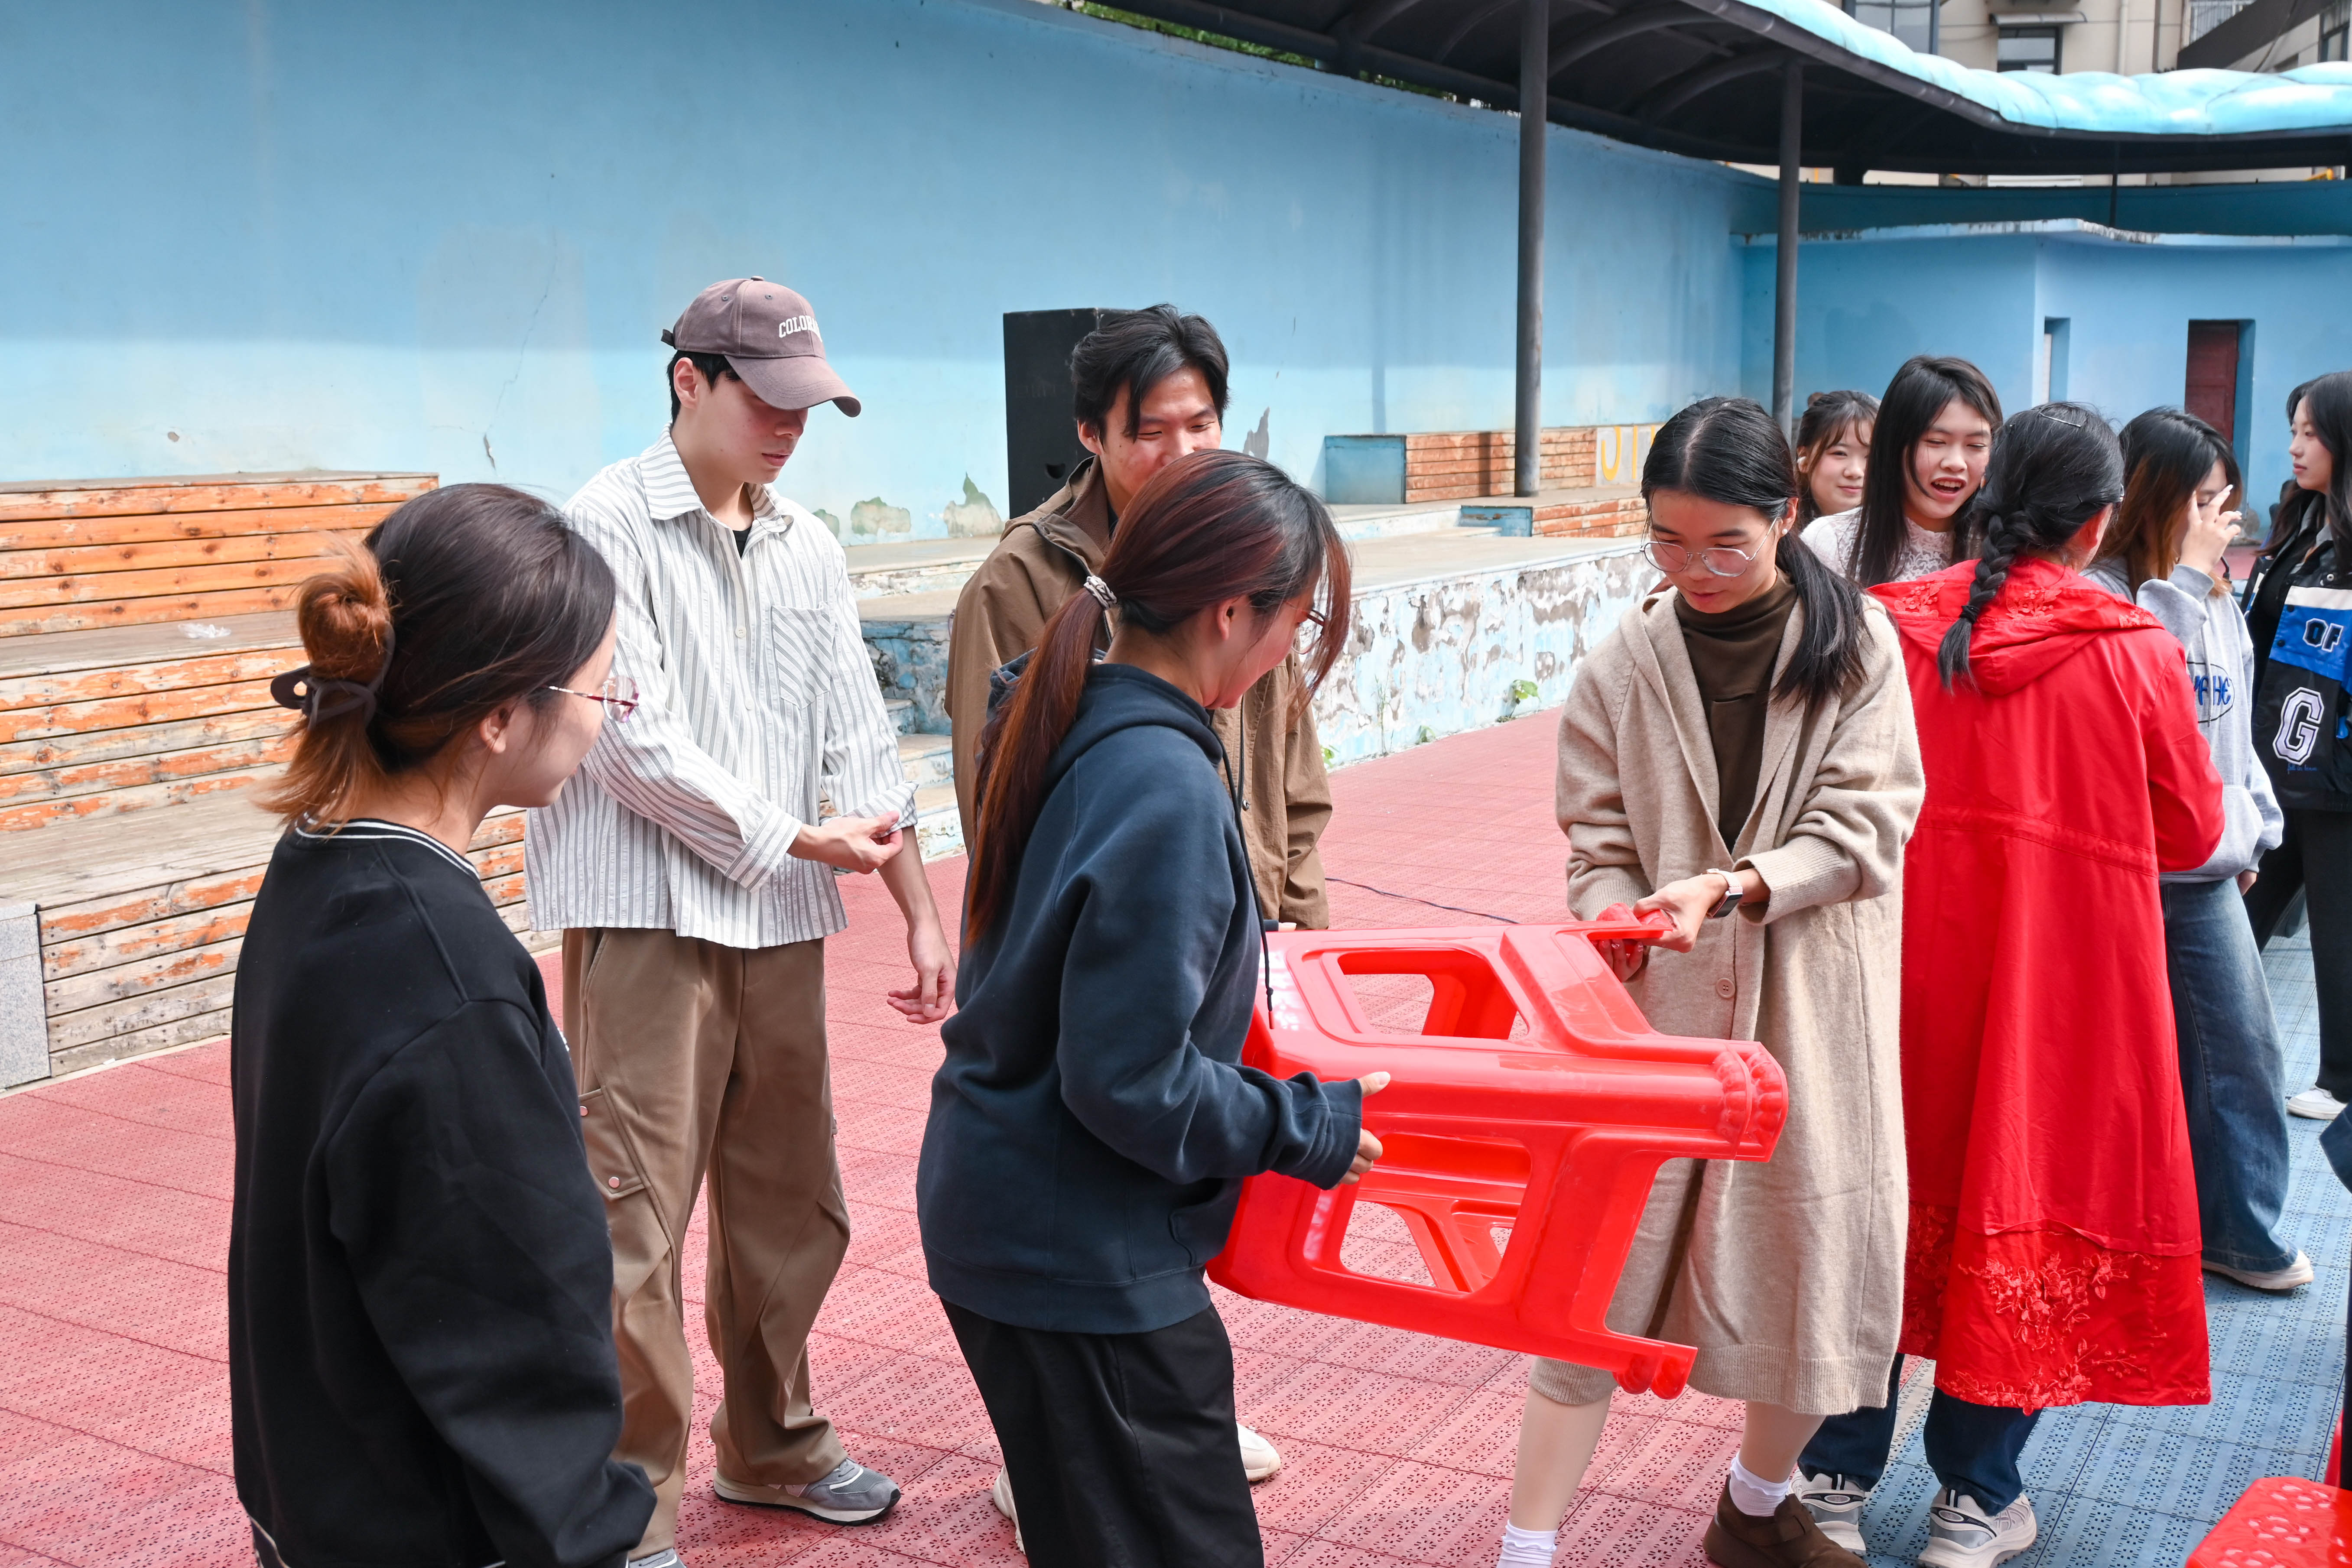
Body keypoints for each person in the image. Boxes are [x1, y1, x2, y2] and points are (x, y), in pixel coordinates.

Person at [524, 279, 955, 1562]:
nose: (789, 426)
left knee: (791, 1198)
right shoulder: (602, 525)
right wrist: (799, 840)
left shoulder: (807, 543)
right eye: (766, 399)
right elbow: (628, 741)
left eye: (806, 406)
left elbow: (858, 737)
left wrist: (920, 910)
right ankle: (633, 1505)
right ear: (689, 380)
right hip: (644, 918)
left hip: (779, 922)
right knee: (634, 1220)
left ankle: (772, 1444)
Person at [922, 448, 1379, 1568]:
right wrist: (1303, 1125)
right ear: (1229, 613)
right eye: (1294, 624)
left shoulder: (1062, 709)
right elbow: (1128, 1077)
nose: (1286, 655)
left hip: (1015, 1207)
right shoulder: (1160, 783)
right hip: (1074, 1249)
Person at [1798, 404, 2226, 1568]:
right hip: (2064, 990)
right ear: (2097, 524)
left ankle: (1831, 1474)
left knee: (1877, 1199)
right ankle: (1974, 1497)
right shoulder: (2132, 648)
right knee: (2022, 1195)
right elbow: (2193, 832)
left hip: (1891, 975)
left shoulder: (1884, 624)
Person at [1499, 396, 1923, 1568]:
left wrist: (1732, 887)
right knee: (1591, 1278)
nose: (1694, 570)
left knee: (1810, 1273)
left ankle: (1753, 1505)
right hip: (1659, 1016)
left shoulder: (1858, 646)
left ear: (1785, 515)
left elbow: (1867, 826)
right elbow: (1595, 839)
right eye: (1667, 541)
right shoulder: (1622, 661)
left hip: (1812, 1010)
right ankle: (1524, 1551)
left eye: (1725, 544)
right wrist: (1612, 914)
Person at [231, 485, 655, 1568]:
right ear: (500, 715)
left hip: (321, 1485)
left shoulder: (317, 869)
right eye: (600, 688)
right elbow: (517, 1340)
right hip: (427, 1523)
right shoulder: (445, 974)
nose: (608, 713)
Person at [947, 305, 1334, 934]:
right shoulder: (1017, 583)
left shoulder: (1248, 546)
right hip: (1118, 936)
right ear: (1090, 433)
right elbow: (995, 808)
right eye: (1152, 432)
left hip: (1250, 937)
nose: (1182, 455)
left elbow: (1296, 787)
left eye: (1201, 425)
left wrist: (1301, 934)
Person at [2086, 407, 2308, 1292]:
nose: (2221, 518)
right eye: (2201, 499)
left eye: (2226, 499)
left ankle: (2237, 1230)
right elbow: (2131, 689)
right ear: (2151, 497)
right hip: (2123, 865)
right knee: (2134, 1064)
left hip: (2204, 865)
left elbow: (2233, 728)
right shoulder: (2107, 592)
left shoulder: (2213, 593)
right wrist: (2182, 576)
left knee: (2238, 1051)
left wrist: (2255, 826)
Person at [2242, 370, 2352, 1120]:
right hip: (2278, 759)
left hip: (2335, 773)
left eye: (2311, 432)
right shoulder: (2299, 524)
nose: (2295, 446)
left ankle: (2341, 1080)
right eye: (2292, 431)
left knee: (2337, 927)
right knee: (2240, 911)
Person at [1803, 356, 2001, 587]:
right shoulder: (1829, 544)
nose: (1956, 464)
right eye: (1936, 442)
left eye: (1976, 445)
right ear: (1893, 444)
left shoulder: (2002, 549)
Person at [1794, 389, 1877, 526]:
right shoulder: (1773, 530)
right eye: (1840, 453)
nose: (1855, 472)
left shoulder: (1903, 534)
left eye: (1870, 456)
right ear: (1805, 458)